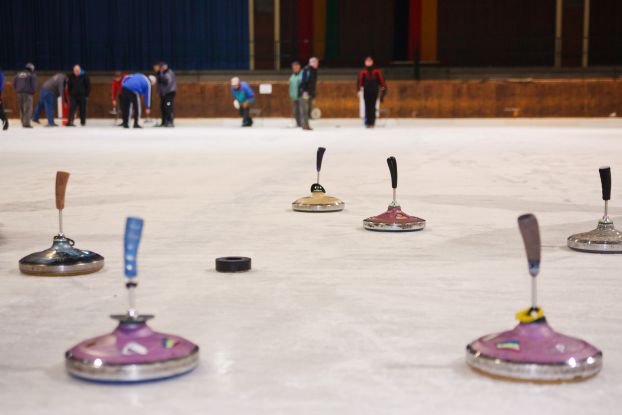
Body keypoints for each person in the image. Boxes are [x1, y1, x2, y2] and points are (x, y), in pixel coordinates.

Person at [357, 56, 386, 128]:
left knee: (372, 106)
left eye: (370, 61)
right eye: (367, 61)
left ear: (372, 62)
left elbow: (381, 80)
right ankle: (368, 122)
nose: (368, 62)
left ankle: (372, 123)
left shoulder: (377, 71)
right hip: (366, 90)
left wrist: (383, 87)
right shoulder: (363, 71)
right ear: (365, 62)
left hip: (374, 90)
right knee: (367, 106)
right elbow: (359, 81)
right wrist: (358, 90)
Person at [13, 63, 37, 128]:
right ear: (32, 68)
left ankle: (23, 122)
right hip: (28, 94)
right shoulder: (32, 75)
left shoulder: (18, 74)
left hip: (19, 93)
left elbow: (14, 84)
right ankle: (26, 123)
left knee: (21, 108)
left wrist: (17, 90)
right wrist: (33, 92)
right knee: (28, 108)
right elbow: (33, 85)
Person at [153, 62, 177, 127]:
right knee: (163, 107)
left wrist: (160, 73)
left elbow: (167, 80)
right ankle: (164, 122)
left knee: (168, 106)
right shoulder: (162, 73)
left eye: (162, 67)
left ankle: (170, 122)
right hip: (164, 94)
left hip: (169, 94)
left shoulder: (169, 72)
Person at [299, 57, 319, 131]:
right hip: (305, 93)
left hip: (309, 93)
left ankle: (306, 124)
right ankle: (305, 125)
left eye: (317, 62)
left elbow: (312, 84)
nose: (317, 64)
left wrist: (313, 95)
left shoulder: (314, 70)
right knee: (305, 109)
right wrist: (304, 91)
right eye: (316, 62)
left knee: (307, 110)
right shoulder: (307, 70)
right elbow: (303, 81)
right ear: (311, 63)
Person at [288, 61, 303, 127]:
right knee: (296, 111)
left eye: (297, 66)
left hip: (301, 96)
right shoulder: (292, 76)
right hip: (294, 96)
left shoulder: (302, 75)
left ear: (299, 67)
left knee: (302, 110)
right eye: (294, 67)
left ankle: (303, 123)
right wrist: (291, 94)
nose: (295, 68)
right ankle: (298, 123)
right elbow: (290, 86)